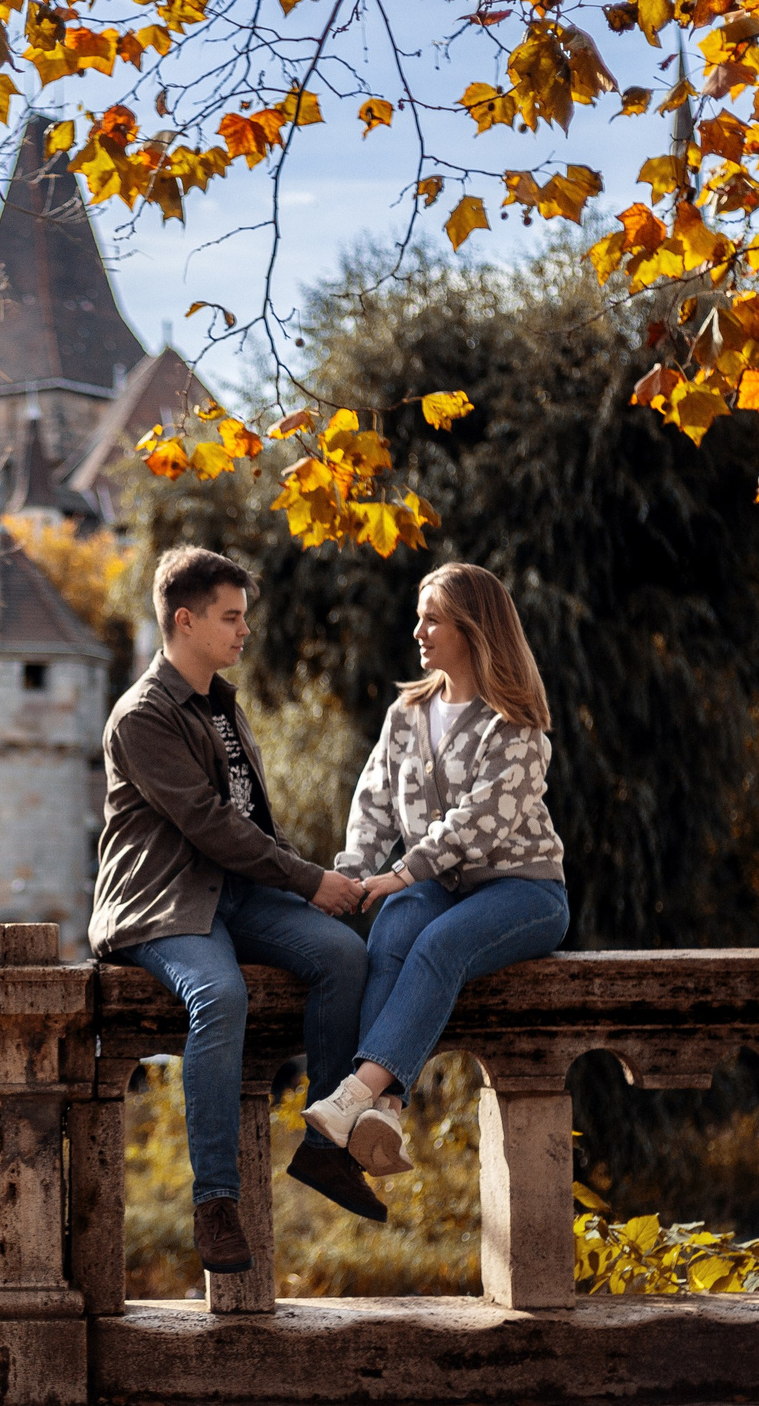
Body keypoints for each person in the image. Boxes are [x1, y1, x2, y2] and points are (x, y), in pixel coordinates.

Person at [92, 546, 376, 1277]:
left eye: (244, 616)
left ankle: (326, 1145)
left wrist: (302, 883)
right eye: (230, 617)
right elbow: (210, 822)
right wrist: (310, 879)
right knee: (220, 995)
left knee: (345, 955)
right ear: (184, 621)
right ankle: (216, 1201)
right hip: (163, 901)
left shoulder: (221, 701)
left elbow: (251, 821)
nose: (244, 630)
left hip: (238, 892)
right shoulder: (142, 716)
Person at [305, 562, 571, 1169]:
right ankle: (385, 1114)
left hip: (525, 893)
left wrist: (402, 872)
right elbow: (372, 803)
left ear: (473, 630)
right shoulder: (406, 715)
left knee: (438, 944)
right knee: (396, 926)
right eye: (418, 618)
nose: (418, 631)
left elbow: (480, 823)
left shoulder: (516, 726)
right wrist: (352, 875)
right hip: (445, 887)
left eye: (433, 620)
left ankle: (356, 1093)